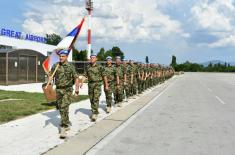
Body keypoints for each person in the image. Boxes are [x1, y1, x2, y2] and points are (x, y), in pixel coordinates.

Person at [50, 49, 80, 139]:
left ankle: (63, 128)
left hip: (67, 90)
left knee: (64, 107)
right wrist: (50, 77)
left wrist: (77, 90)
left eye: (63, 56)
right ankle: (66, 124)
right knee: (61, 107)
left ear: (66, 57)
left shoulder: (70, 66)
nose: (61, 58)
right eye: (60, 56)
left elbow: (76, 78)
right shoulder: (56, 65)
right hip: (58, 90)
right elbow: (51, 75)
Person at [84, 54, 105, 121]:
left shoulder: (100, 67)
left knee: (95, 98)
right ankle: (95, 110)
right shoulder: (88, 67)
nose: (92, 59)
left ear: (96, 59)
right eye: (91, 58)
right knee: (91, 99)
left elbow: (104, 76)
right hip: (90, 85)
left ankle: (94, 113)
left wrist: (106, 85)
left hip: (97, 84)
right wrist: (81, 82)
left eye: (93, 58)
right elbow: (85, 75)